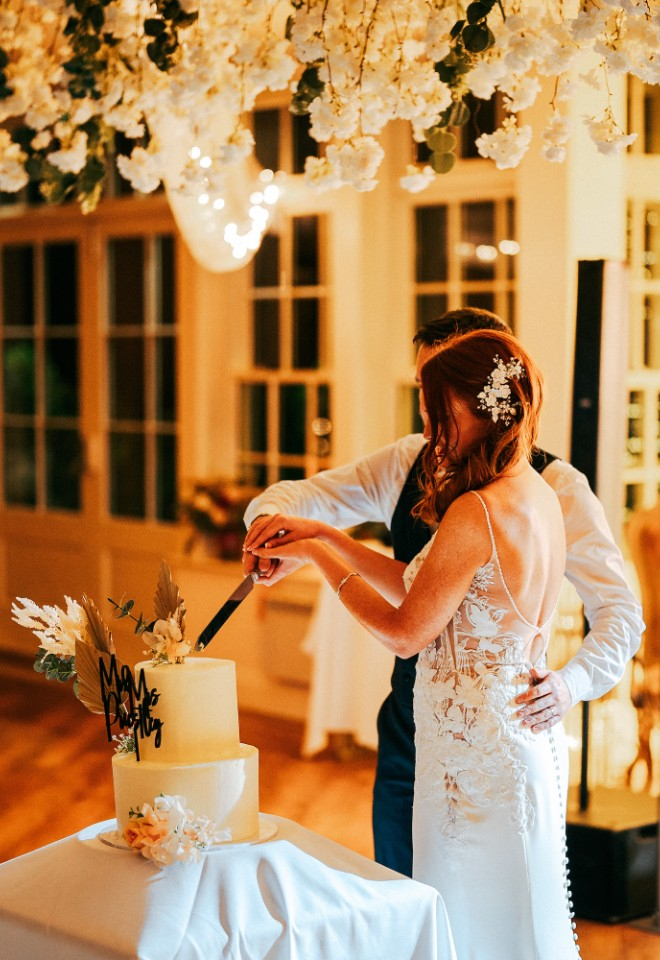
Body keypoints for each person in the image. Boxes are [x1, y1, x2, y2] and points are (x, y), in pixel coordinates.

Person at [243, 308, 643, 879]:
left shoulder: (555, 489)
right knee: (405, 897)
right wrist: (272, 531)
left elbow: (622, 613)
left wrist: (573, 683)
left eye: (445, 399)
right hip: (410, 730)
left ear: (489, 390)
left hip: (492, 739)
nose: (431, 424)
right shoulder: (409, 458)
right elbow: (307, 501)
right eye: (426, 396)